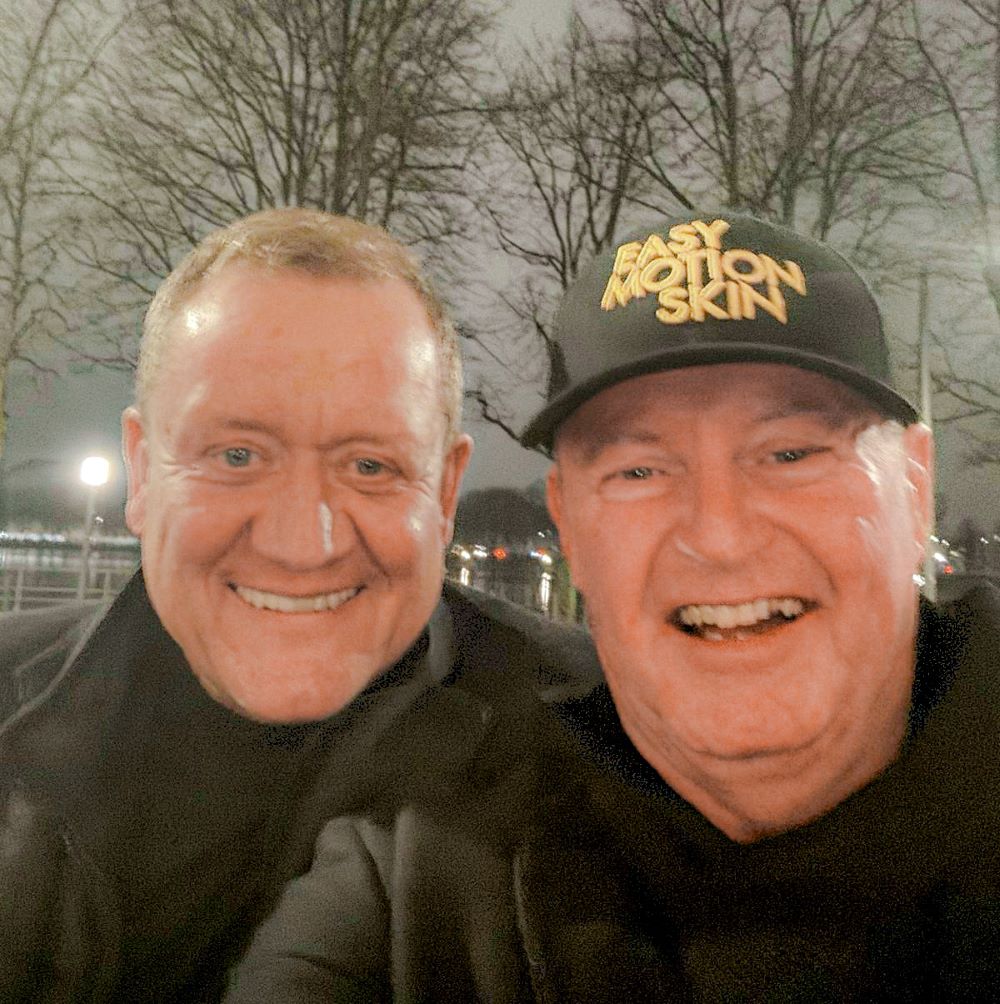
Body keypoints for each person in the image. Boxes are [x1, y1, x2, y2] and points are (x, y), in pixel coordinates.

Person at [228, 213, 1000, 1001]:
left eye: (792, 452)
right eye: (638, 471)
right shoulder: (416, 890)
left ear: (915, 489)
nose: (720, 535)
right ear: (567, 521)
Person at [0, 208, 598, 1002]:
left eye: (370, 466)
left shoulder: (602, 740)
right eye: (237, 455)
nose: (301, 544)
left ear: (445, 492)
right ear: (141, 472)